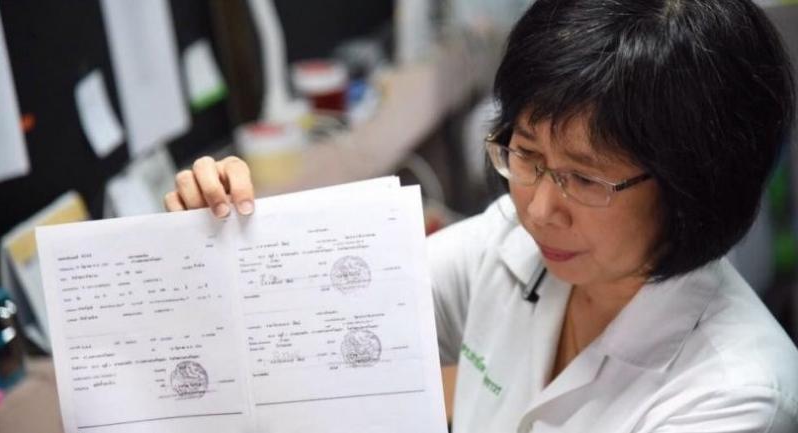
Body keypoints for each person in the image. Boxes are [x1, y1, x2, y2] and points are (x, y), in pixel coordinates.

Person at [165, 0, 798, 431]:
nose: (539, 209)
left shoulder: (737, 395)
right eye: (526, 155)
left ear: (692, 185)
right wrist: (225, 239)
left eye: (584, 178)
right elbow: (322, 312)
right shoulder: (513, 245)